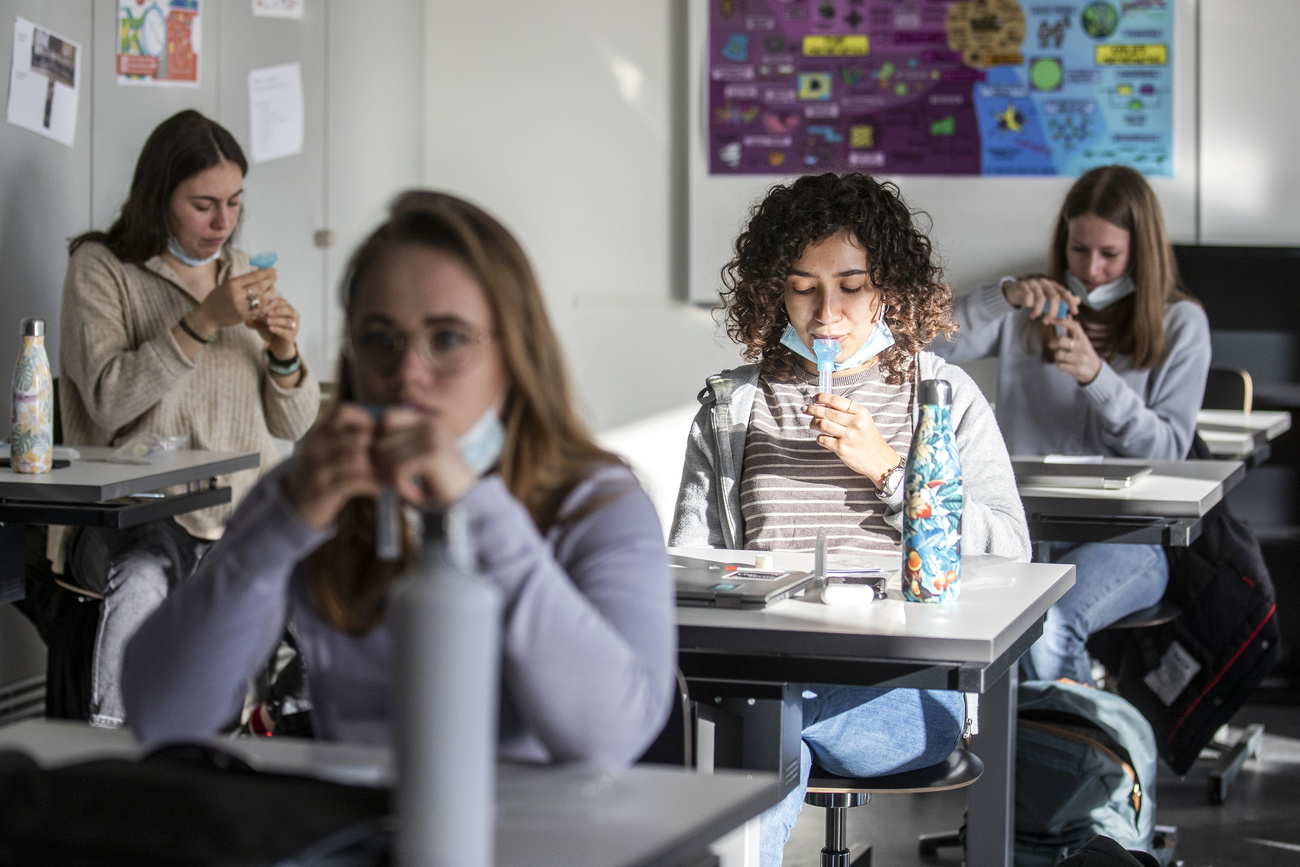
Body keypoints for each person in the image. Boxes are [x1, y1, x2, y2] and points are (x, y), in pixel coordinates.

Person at [122, 191, 677, 765]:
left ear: (515, 352)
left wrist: (476, 509)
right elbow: (162, 716)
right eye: (380, 340)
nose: (408, 375)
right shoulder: (313, 494)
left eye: (449, 339)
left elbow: (610, 739)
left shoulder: (594, 500)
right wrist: (281, 529)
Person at [670, 172, 1030, 866]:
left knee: (762, 722)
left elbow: (1011, 549)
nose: (825, 310)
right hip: (763, 675)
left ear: (889, 285)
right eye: (802, 285)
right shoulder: (732, 407)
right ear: (774, 288)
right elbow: (688, 563)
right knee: (762, 713)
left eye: (851, 285)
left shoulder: (943, 397)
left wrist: (893, 472)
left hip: (905, 692)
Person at [57, 109, 320, 728]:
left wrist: (283, 352)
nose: (223, 222)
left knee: (328, 582)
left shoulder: (239, 270)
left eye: (234, 202)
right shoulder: (101, 268)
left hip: (241, 513)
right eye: (203, 204)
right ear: (159, 199)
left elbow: (293, 425)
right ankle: (119, 765)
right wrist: (201, 323)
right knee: (143, 581)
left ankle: (296, 739)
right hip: (143, 512)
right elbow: (107, 400)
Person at [931, 164, 1211, 684]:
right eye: (1080, 250)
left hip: (1128, 538)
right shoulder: (1032, 307)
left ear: (1141, 251)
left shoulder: (1180, 323)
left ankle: (1083, 752)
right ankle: (1029, 749)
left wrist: (1097, 377)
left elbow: (1170, 447)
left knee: (1051, 621)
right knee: (977, 621)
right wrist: (1004, 298)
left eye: (1110, 254)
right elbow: (924, 346)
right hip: (1028, 527)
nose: (1093, 268)